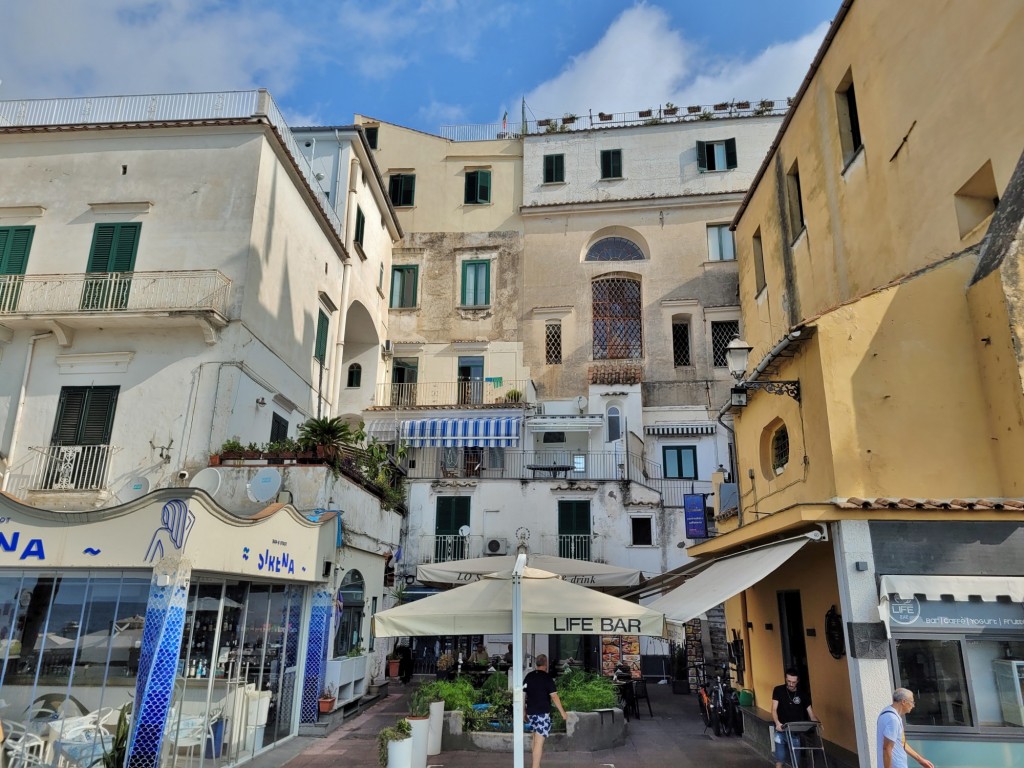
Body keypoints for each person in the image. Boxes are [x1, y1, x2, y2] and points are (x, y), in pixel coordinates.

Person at [523, 654, 568, 768]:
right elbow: (554, 696)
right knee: (539, 742)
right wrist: (562, 712)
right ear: (545, 664)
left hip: (531, 713)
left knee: (534, 739)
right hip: (542, 714)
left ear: (536, 664)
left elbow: (523, 694)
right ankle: (535, 766)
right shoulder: (547, 678)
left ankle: (536, 765)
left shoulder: (529, 676)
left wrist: (524, 710)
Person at [771, 667, 818, 768]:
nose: (791, 684)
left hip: (795, 732)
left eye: (794, 682)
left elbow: (811, 713)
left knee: (795, 761)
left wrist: (817, 722)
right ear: (785, 679)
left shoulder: (802, 694)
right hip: (781, 729)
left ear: (798, 681)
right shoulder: (778, 690)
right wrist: (777, 723)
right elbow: (774, 709)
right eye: (788, 681)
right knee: (780, 759)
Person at [877, 688, 933, 768]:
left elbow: (901, 743)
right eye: (912, 702)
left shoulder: (887, 713)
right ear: (903, 702)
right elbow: (887, 748)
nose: (913, 706)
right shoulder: (893, 719)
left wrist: (920, 760)